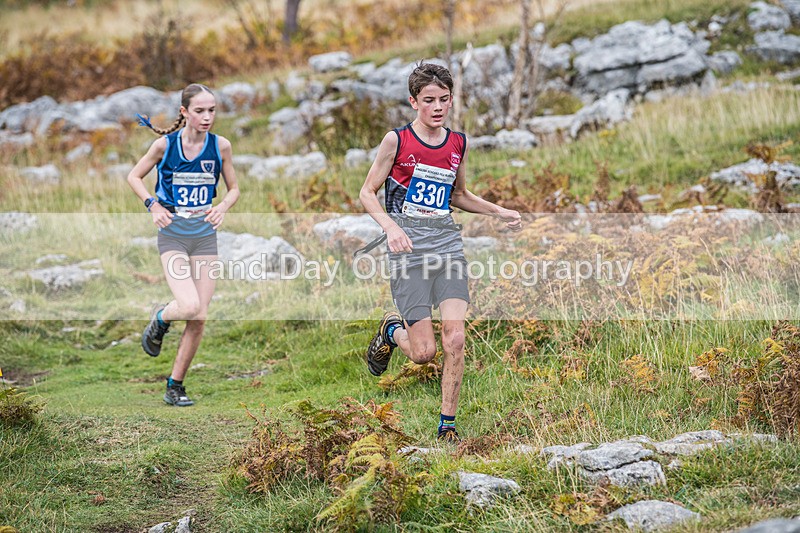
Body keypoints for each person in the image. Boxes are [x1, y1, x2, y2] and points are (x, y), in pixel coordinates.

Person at [359, 62, 521, 442]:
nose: (437, 107)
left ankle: (447, 426)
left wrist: (499, 211)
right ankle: (391, 330)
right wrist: (391, 227)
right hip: (409, 253)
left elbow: (460, 195)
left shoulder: (457, 143)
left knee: (455, 338)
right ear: (413, 101)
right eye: (428, 100)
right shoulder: (395, 141)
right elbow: (367, 192)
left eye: (444, 100)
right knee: (423, 354)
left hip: (447, 247)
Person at [127, 83, 240, 407]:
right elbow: (134, 176)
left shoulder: (221, 146)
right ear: (184, 112)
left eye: (212, 110)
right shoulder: (165, 145)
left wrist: (221, 207)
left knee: (199, 316)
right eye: (200, 111)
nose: (207, 117)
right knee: (188, 306)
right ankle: (161, 317)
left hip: (204, 235)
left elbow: (233, 189)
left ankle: (175, 385)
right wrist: (153, 205)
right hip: (174, 233)